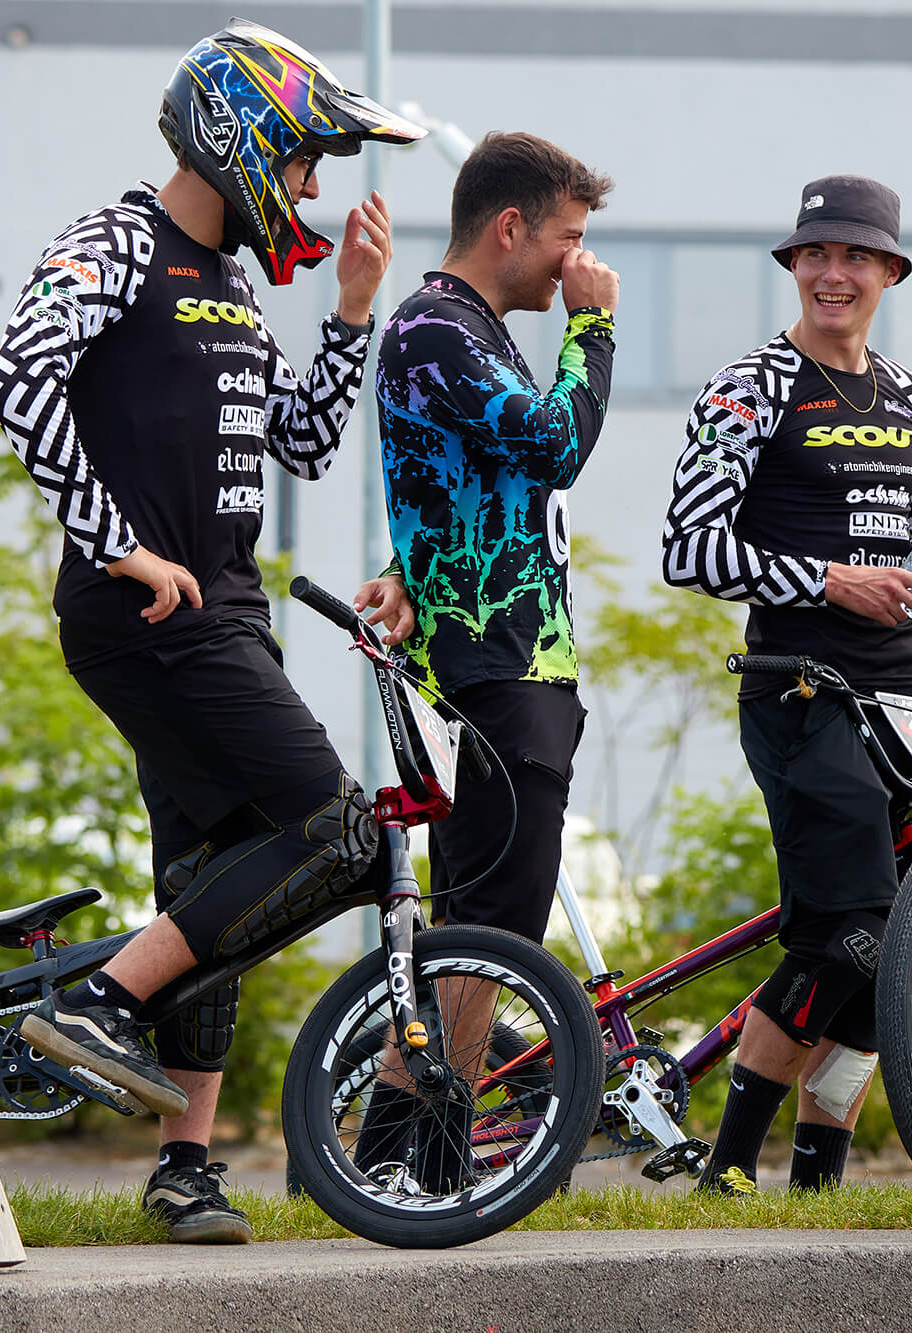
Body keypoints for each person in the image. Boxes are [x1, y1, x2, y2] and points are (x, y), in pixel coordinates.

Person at [0, 19, 421, 1242]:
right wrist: (117, 540)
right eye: (303, 162)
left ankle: (184, 1169)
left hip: (220, 612)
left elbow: (298, 443)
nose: (313, 191)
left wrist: (347, 314)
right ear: (247, 141)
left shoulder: (230, 275)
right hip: (149, 615)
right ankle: (99, 1006)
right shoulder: (113, 241)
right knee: (337, 831)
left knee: (214, 878)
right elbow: (20, 380)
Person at [662, 175, 912, 1192]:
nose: (831, 273)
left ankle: (816, 1180)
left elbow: (904, 588)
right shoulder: (750, 384)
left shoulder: (905, 394)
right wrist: (824, 579)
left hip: (904, 695)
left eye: (854, 257)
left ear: (889, 272)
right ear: (794, 267)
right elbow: (689, 548)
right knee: (852, 929)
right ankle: (726, 1165)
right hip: (797, 689)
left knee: (884, 945)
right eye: (814, 255)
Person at [348, 134, 616, 1172]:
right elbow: (554, 445)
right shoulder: (434, 328)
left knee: (483, 919)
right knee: (492, 927)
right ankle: (426, 1154)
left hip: (516, 660)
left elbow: (457, 482)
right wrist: (592, 328)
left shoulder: (468, 332)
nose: (576, 263)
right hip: (498, 671)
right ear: (511, 228)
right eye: (568, 239)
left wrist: (408, 571)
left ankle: (393, 1151)